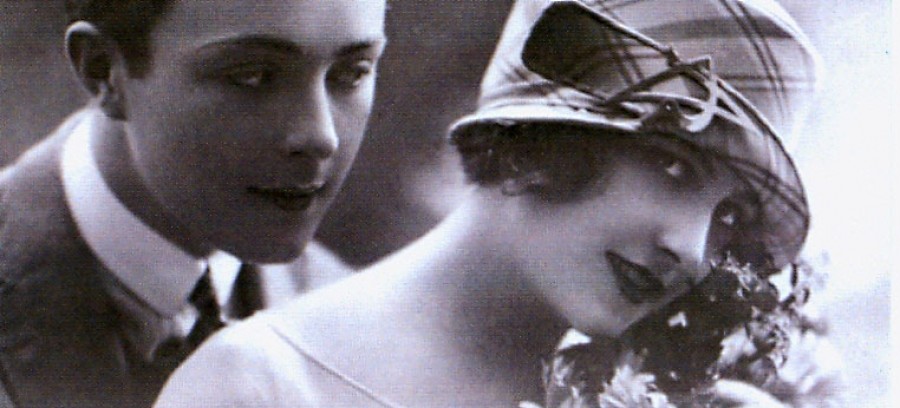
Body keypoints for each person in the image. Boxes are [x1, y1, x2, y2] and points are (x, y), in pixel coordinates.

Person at [155, 0, 828, 406]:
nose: (691, 248)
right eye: (673, 166)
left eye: (728, 216)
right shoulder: (258, 387)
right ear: (545, 136)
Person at [0, 0, 386, 407]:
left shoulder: (353, 319)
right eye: (252, 76)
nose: (321, 137)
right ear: (104, 71)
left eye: (353, 73)